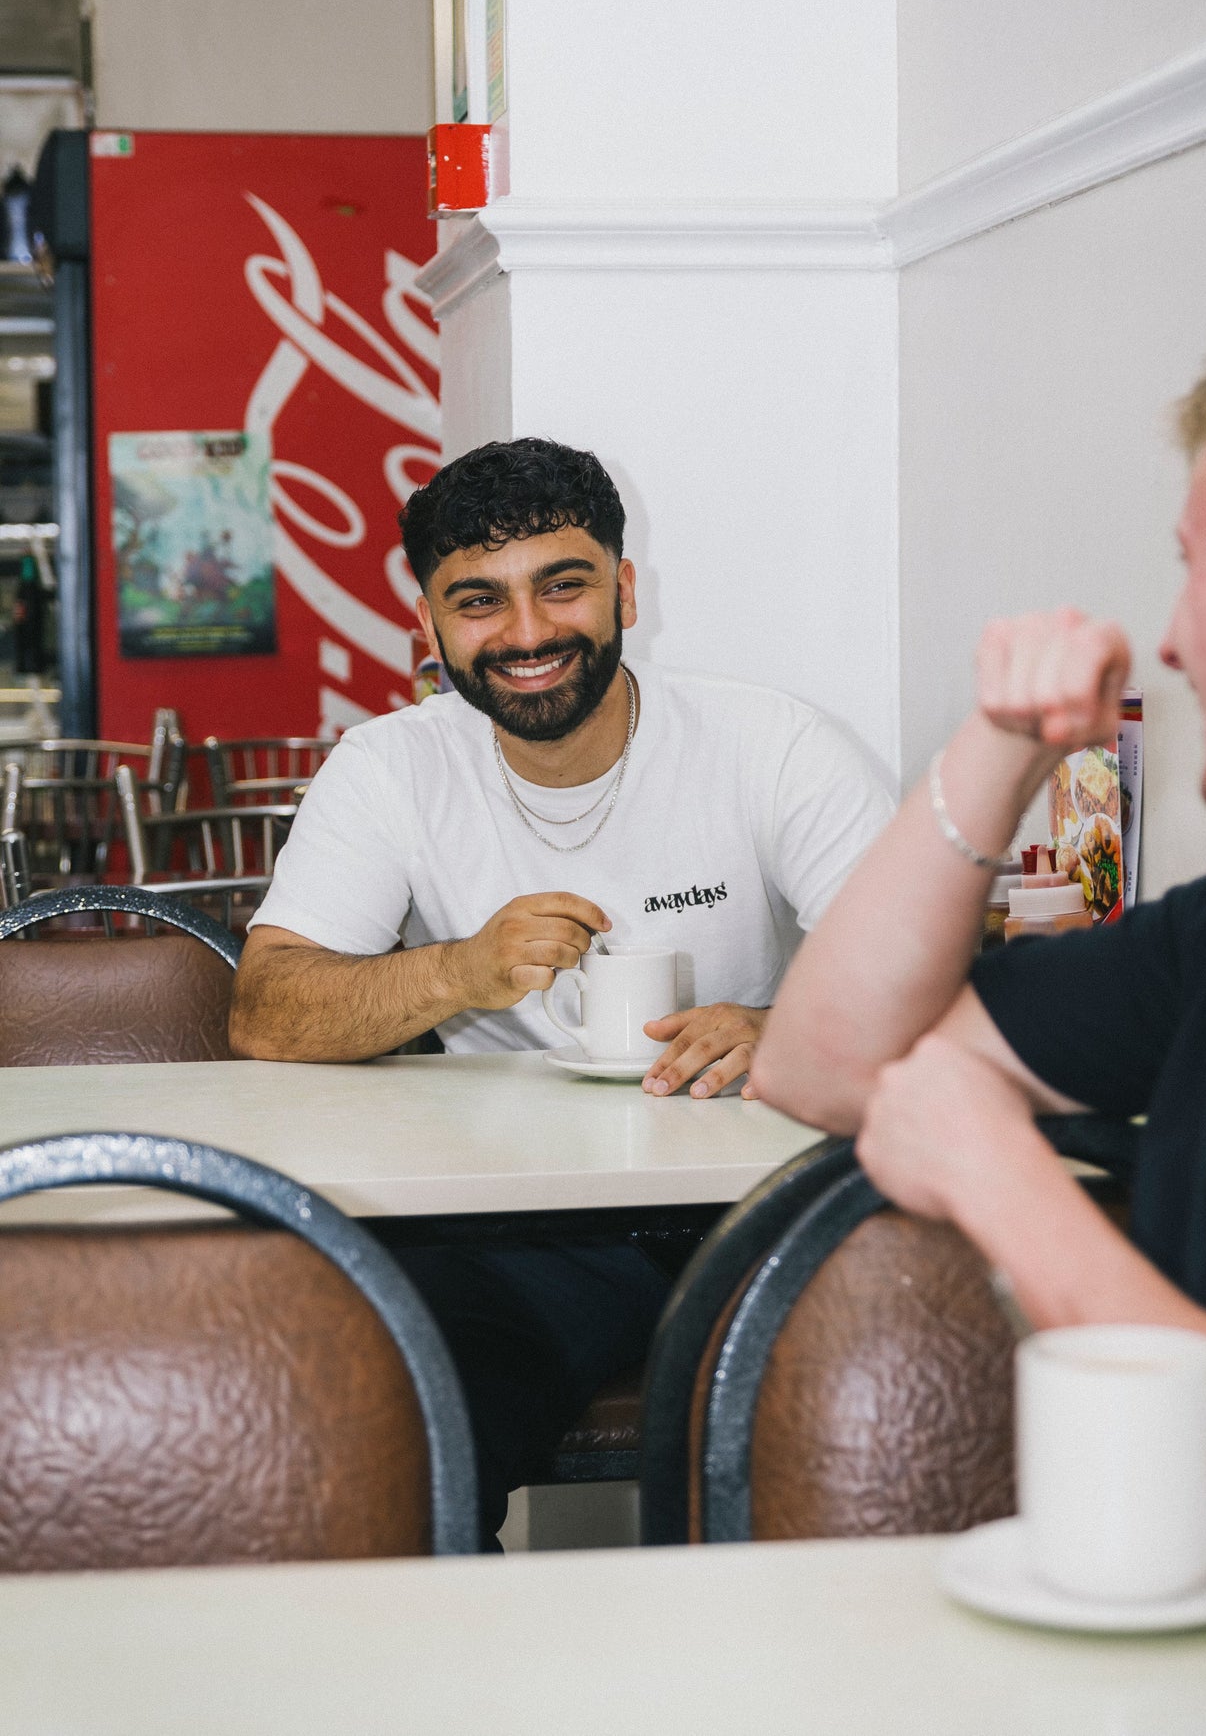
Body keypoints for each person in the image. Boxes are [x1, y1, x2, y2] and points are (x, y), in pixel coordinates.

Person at [754, 315, 1206, 1515]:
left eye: (1191, 559)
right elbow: (821, 1062)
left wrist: (1004, 1187)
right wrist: (1003, 743)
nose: (1167, 640)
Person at [230, 435, 892, 1545]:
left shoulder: (769, 743)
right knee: (395, 1443)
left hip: (766, 1207)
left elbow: (924, 972)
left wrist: (783, 1028)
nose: (528, 633)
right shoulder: (391, 766)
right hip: (521, 1230)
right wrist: (459, 970)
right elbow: (263, 1015)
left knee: (831, 1456)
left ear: (626, 589)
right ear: (427, 631)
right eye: (479, 601)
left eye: (564, 585)